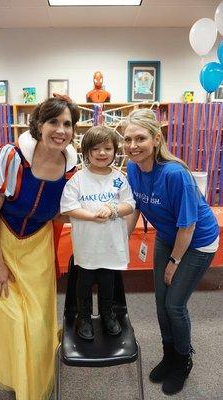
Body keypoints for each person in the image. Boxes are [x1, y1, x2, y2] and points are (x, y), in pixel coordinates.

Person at [0, 96, 80, 400]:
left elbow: (60, 211)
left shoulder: (72, 165)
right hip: (0, 240)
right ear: (39, 124)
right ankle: (18, 376)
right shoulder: (12, 156)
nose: (60, 130)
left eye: (67, 124)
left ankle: (37, 375)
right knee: (14, 316)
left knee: (40, 318)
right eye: (53, 122)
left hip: (38, 245)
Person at [123, 108, 219, 396]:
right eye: (127, 140)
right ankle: (169, 354)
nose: (132, 146)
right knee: (160, 301)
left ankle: (183, 360)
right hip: (168, 235)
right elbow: (137, 205)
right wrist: (121, 242)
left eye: (140, 138)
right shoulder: (132, 167)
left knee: (175, 304)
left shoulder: (176, 174)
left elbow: (188, 227)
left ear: (156, 139)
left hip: (197, 241)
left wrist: (174, 262)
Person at [60, 125, 135, 340]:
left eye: (107, 148)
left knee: (107, 283)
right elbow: (68, 208)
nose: (102, 153)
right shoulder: (77, 180)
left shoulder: (119, 178)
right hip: (87, 247)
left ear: (114, 151)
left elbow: (129, 204)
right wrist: (91, 216)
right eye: (95, 149)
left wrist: (112, 209)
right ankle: (83, 317)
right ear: (86, 152)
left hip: (110, 245)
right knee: (83, 284)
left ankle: (107, 315)